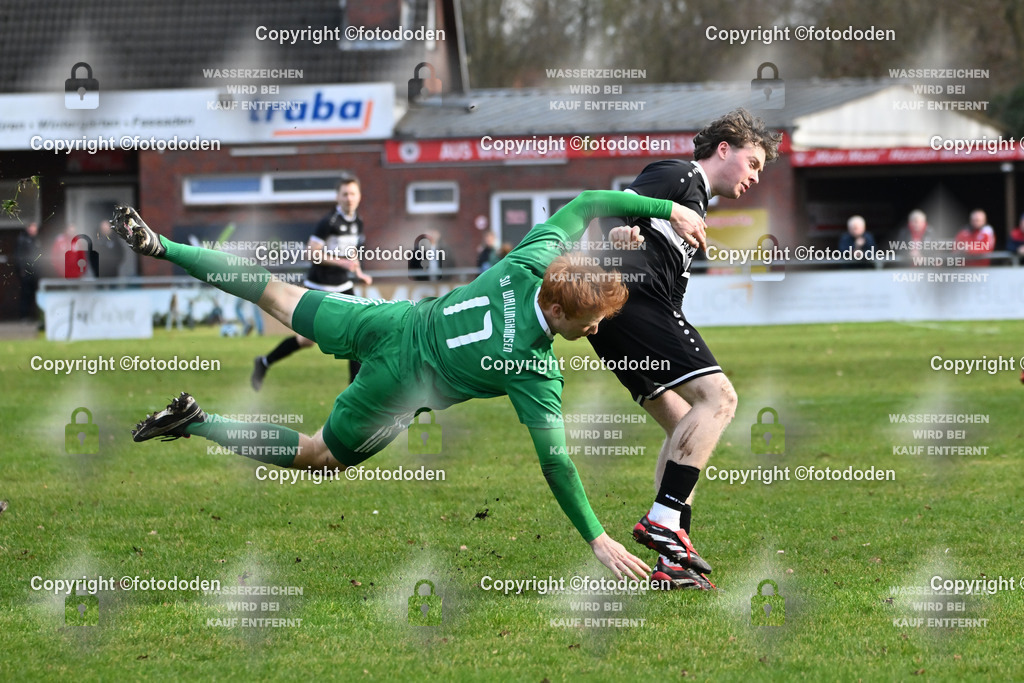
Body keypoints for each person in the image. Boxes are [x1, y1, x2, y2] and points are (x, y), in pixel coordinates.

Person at [111, 190, 707, 585]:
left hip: (389, 321)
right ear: (559, 311)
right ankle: (197, 422)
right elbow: (557, 463)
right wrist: (598, 539)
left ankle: (161, 246)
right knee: (318, 455)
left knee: (274, 292)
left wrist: (664, 210)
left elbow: (588, 202)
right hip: (397, 389)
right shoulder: (534, 368)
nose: (597, 329)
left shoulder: (528, 262)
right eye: (592, 321)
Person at [588, 108, 782, 586]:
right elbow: (612, 206)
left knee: (685, 428)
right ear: (724, 149)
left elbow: (671, 287)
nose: (755, 177)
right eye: (753, 163)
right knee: (720, 399)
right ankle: (663, 518)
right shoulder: (680, 174)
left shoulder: (696, 207)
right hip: (633, 303)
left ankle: (673, 561)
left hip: (621, 319)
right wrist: (616, 231)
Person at [252, 176, 372, 390]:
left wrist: (359, 272)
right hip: (320, 287)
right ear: (337, 197)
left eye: (353, 193)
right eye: (345, 194)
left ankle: (354, 390)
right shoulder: (329, 222)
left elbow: (352, 252)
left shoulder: (357, 221)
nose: (349, 198)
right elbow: (311, 252)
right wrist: (341, 262)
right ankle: (264, 362)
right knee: (306, 340)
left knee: (356, 334)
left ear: (360, 196)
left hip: (344, 286)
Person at [14, 221, 42, 320]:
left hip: (35, 272)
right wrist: (22, 269)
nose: (34, 229)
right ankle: (24, 316)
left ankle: (35, 316)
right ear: (28, 228)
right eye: (32, 227)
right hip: (26, 271)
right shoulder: (22, 240)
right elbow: (19, 256)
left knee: (36, 293)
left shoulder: (37, 240)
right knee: (26, 293)